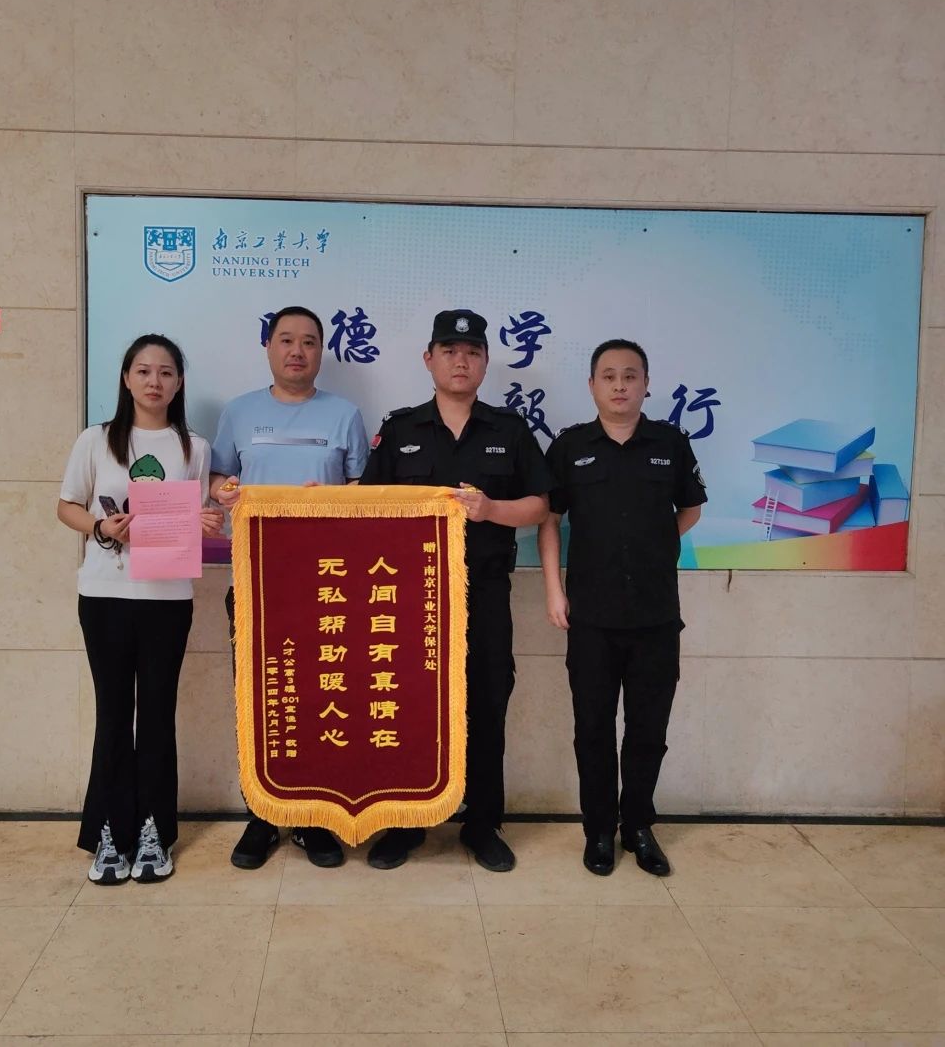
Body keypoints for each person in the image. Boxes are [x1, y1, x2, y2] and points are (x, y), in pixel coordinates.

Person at [359, 309, 551, 872]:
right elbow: (368, 507)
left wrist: (490, 510)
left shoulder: (509, 430)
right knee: (408, 705)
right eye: (449, 351)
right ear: (429, 359)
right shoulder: (400, 430)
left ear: (486, 362)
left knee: (487, 702)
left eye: (471, 352)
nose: (460, 361)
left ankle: (482, 823)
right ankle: (405, 823)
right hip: (409, 598)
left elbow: (540, 506)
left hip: (484, 592)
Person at [58, 334, 223, 884]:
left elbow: (197, 516)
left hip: (167, 600)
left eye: (167, 372)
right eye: (145, 371)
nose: (155, 381)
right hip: (104, 595)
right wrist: (102, 527)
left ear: (179, 383)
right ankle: (109, 833)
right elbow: (66, 506)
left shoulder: (194, 447)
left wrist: (206, 521)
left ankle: (154, 831)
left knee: (155, 717)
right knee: (112, 717)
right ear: (127, 378)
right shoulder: (96, 439)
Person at [538, 338, 706, 877]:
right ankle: (598, 831)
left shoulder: (670, 443)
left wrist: (656, 545)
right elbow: (548, 521)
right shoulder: (570, 446)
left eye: (630, 376)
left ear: (646, 385)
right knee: (592, 729)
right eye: (608, 376)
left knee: (647, 730)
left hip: (656, 616)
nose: (619, 385)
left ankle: (638, 827)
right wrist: (555, 590)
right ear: (592, 385)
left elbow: (691, 509)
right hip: (590, 617)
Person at [211, 305, 369, 870]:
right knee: (258, 696)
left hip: (326, 586)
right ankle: (262, 814)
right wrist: (225, 491)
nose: (297, 351)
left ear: (322, 351)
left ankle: (312, 817)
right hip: (256, 580)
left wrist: (335, 501)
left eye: (308, 341)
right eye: (286, 340)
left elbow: (363, 492)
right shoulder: (238, 413)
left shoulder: (345, 415)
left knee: (320, 697)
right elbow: (218, 479)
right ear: (269, 348)